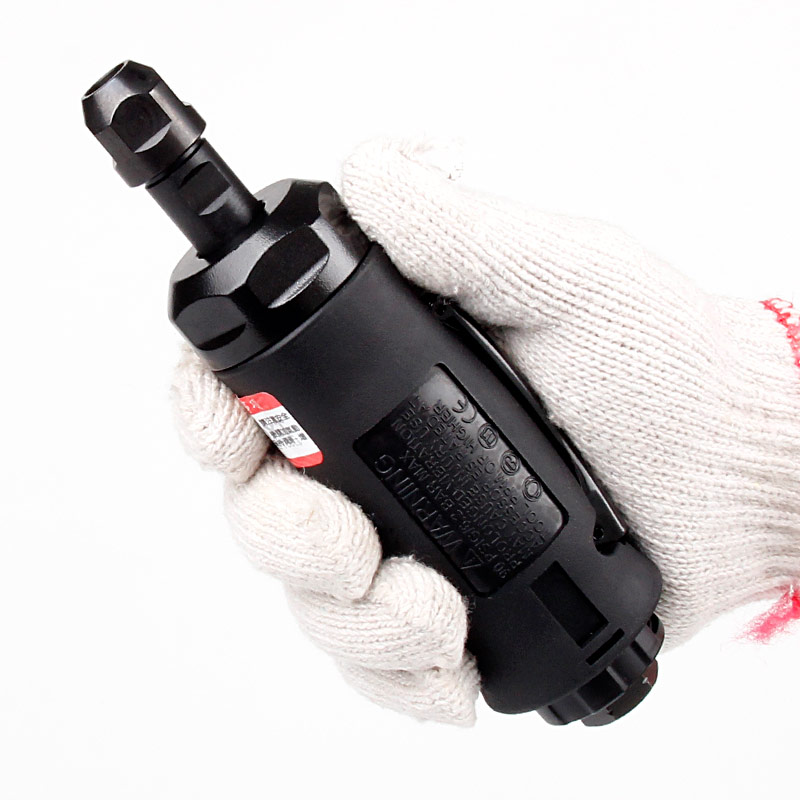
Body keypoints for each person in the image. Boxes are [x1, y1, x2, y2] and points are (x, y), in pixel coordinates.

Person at [171, 138, 800, 725]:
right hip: (570, 604)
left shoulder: (238, 302)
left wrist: (750, 416)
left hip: (576, 606)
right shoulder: (276, 272)